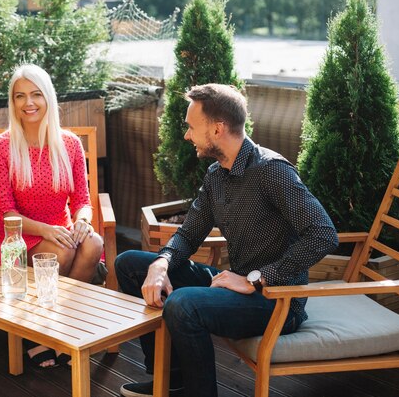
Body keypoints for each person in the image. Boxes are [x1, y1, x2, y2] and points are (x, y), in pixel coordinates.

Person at [116, 84, 338, 397]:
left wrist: (257, 279)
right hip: (234, 285)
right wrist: (161, 262)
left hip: (276, 299)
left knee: (183, 303)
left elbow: (324, 234)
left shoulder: (271, 171)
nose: (187, 135)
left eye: (192, 127)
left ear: (218, 129)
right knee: (130, 264)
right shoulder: (216, 176)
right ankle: (171, 380)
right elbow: (189, 233)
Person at [0, 64, 104, 368]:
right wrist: (47, 230)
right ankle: (42, 333)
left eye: (36, 94)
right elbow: (6, 213)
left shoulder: (69, 144)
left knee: (93, 243)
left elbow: (82, 200)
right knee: (60, 251)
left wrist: (83, 220)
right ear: (12, 102)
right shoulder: (1, 147)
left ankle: (58, 329)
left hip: (60, 229)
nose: (28, 103)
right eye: (20, 96)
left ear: (48, 97)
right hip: (18, 236)